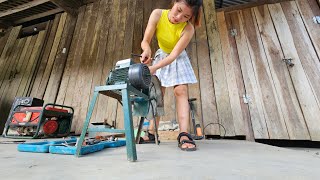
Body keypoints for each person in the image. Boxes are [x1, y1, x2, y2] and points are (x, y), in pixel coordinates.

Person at [139, 0, 203, 151]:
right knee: (157, 94)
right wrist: (147, 49)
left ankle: (184, 134)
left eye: (186, 16)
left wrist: (153, 67)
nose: (178, 17)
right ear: (174, 3)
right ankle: (152, 132)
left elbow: (174, 55)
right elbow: (145, 41)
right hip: (161, 55)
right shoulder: (158, 14)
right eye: (178, 10)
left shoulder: (188, 29)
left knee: (180, 91)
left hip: (177, 57)